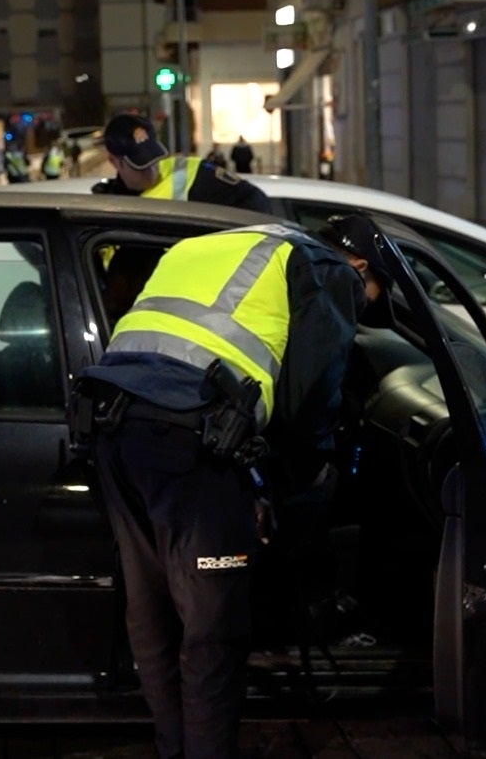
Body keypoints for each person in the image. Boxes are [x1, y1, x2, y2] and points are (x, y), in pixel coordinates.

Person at [79, 214, 394, 759]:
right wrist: (299, 486)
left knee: (151, 609)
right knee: (214, 632)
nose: (361, 304)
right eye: (370, 295)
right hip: (186, 444)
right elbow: (310, 401)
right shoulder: (326, 269)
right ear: (360, 265)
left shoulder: (217, 244)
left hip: (111, 428)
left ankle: (174, 748)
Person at [92, 114, 270, 213]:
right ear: (114, 161)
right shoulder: (109, 202)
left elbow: (255, 201)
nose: (152, 170)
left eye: (154, 160)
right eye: (141, 165)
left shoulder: (190, 173)